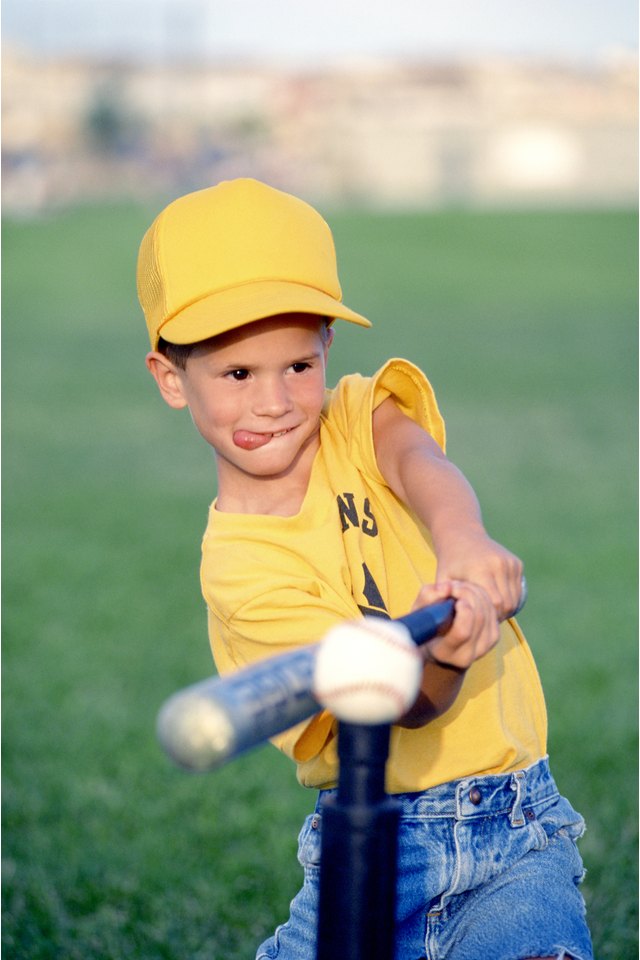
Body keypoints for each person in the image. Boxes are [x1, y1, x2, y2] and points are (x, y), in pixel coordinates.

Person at [138, 178, 593, 960]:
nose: (276, 401)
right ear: (172, 379)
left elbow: (418, 458)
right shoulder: (240, 569)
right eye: (237, 374)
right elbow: (400, 706)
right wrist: (449, 654)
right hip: (375, 846)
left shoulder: (352, 414)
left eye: (298, 365)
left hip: (519, 832)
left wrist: (463, 541)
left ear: (327, 352)